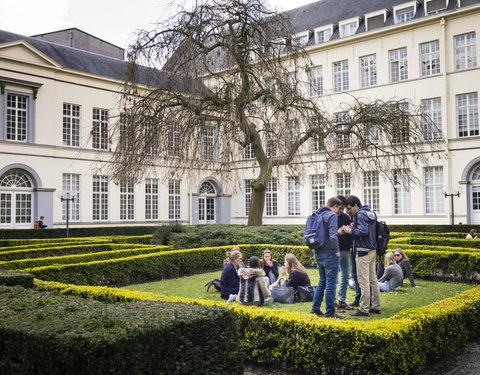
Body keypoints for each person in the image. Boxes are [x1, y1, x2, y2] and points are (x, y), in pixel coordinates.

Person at [342, 195, 381, 317]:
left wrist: (349, 231)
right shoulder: (370, 212)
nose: (348, 211)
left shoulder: (360, 214)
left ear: (355, 205)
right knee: (373, 280)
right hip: (372, 250)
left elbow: (363, 232)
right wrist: (355, 227)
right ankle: (375, 306)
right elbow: (367, 230)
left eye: (349, 208)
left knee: (363, 281)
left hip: (363, 251)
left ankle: (364, 309)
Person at [310, 197, 346, 319]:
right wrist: (337, 251)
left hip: (318, 252)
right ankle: (330, 313)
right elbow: (332, 236)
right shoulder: (332, 216)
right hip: (329, 253)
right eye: (340, 209)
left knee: (322, 281)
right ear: (334, 206)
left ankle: (315, 309)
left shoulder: (318, 214)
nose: (340, 212)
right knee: (331, 283)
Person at [335, 195, 353, 312]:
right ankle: (332, 303)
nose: (342, 210)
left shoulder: (346, 217)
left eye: (343, 208)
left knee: (346, 276)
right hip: (335, 251)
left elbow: (350, 233)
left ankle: (342, 300)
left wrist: (350, 228)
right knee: (332, 278)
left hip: (345, 250)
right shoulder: (330, 217)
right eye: (340, 208)